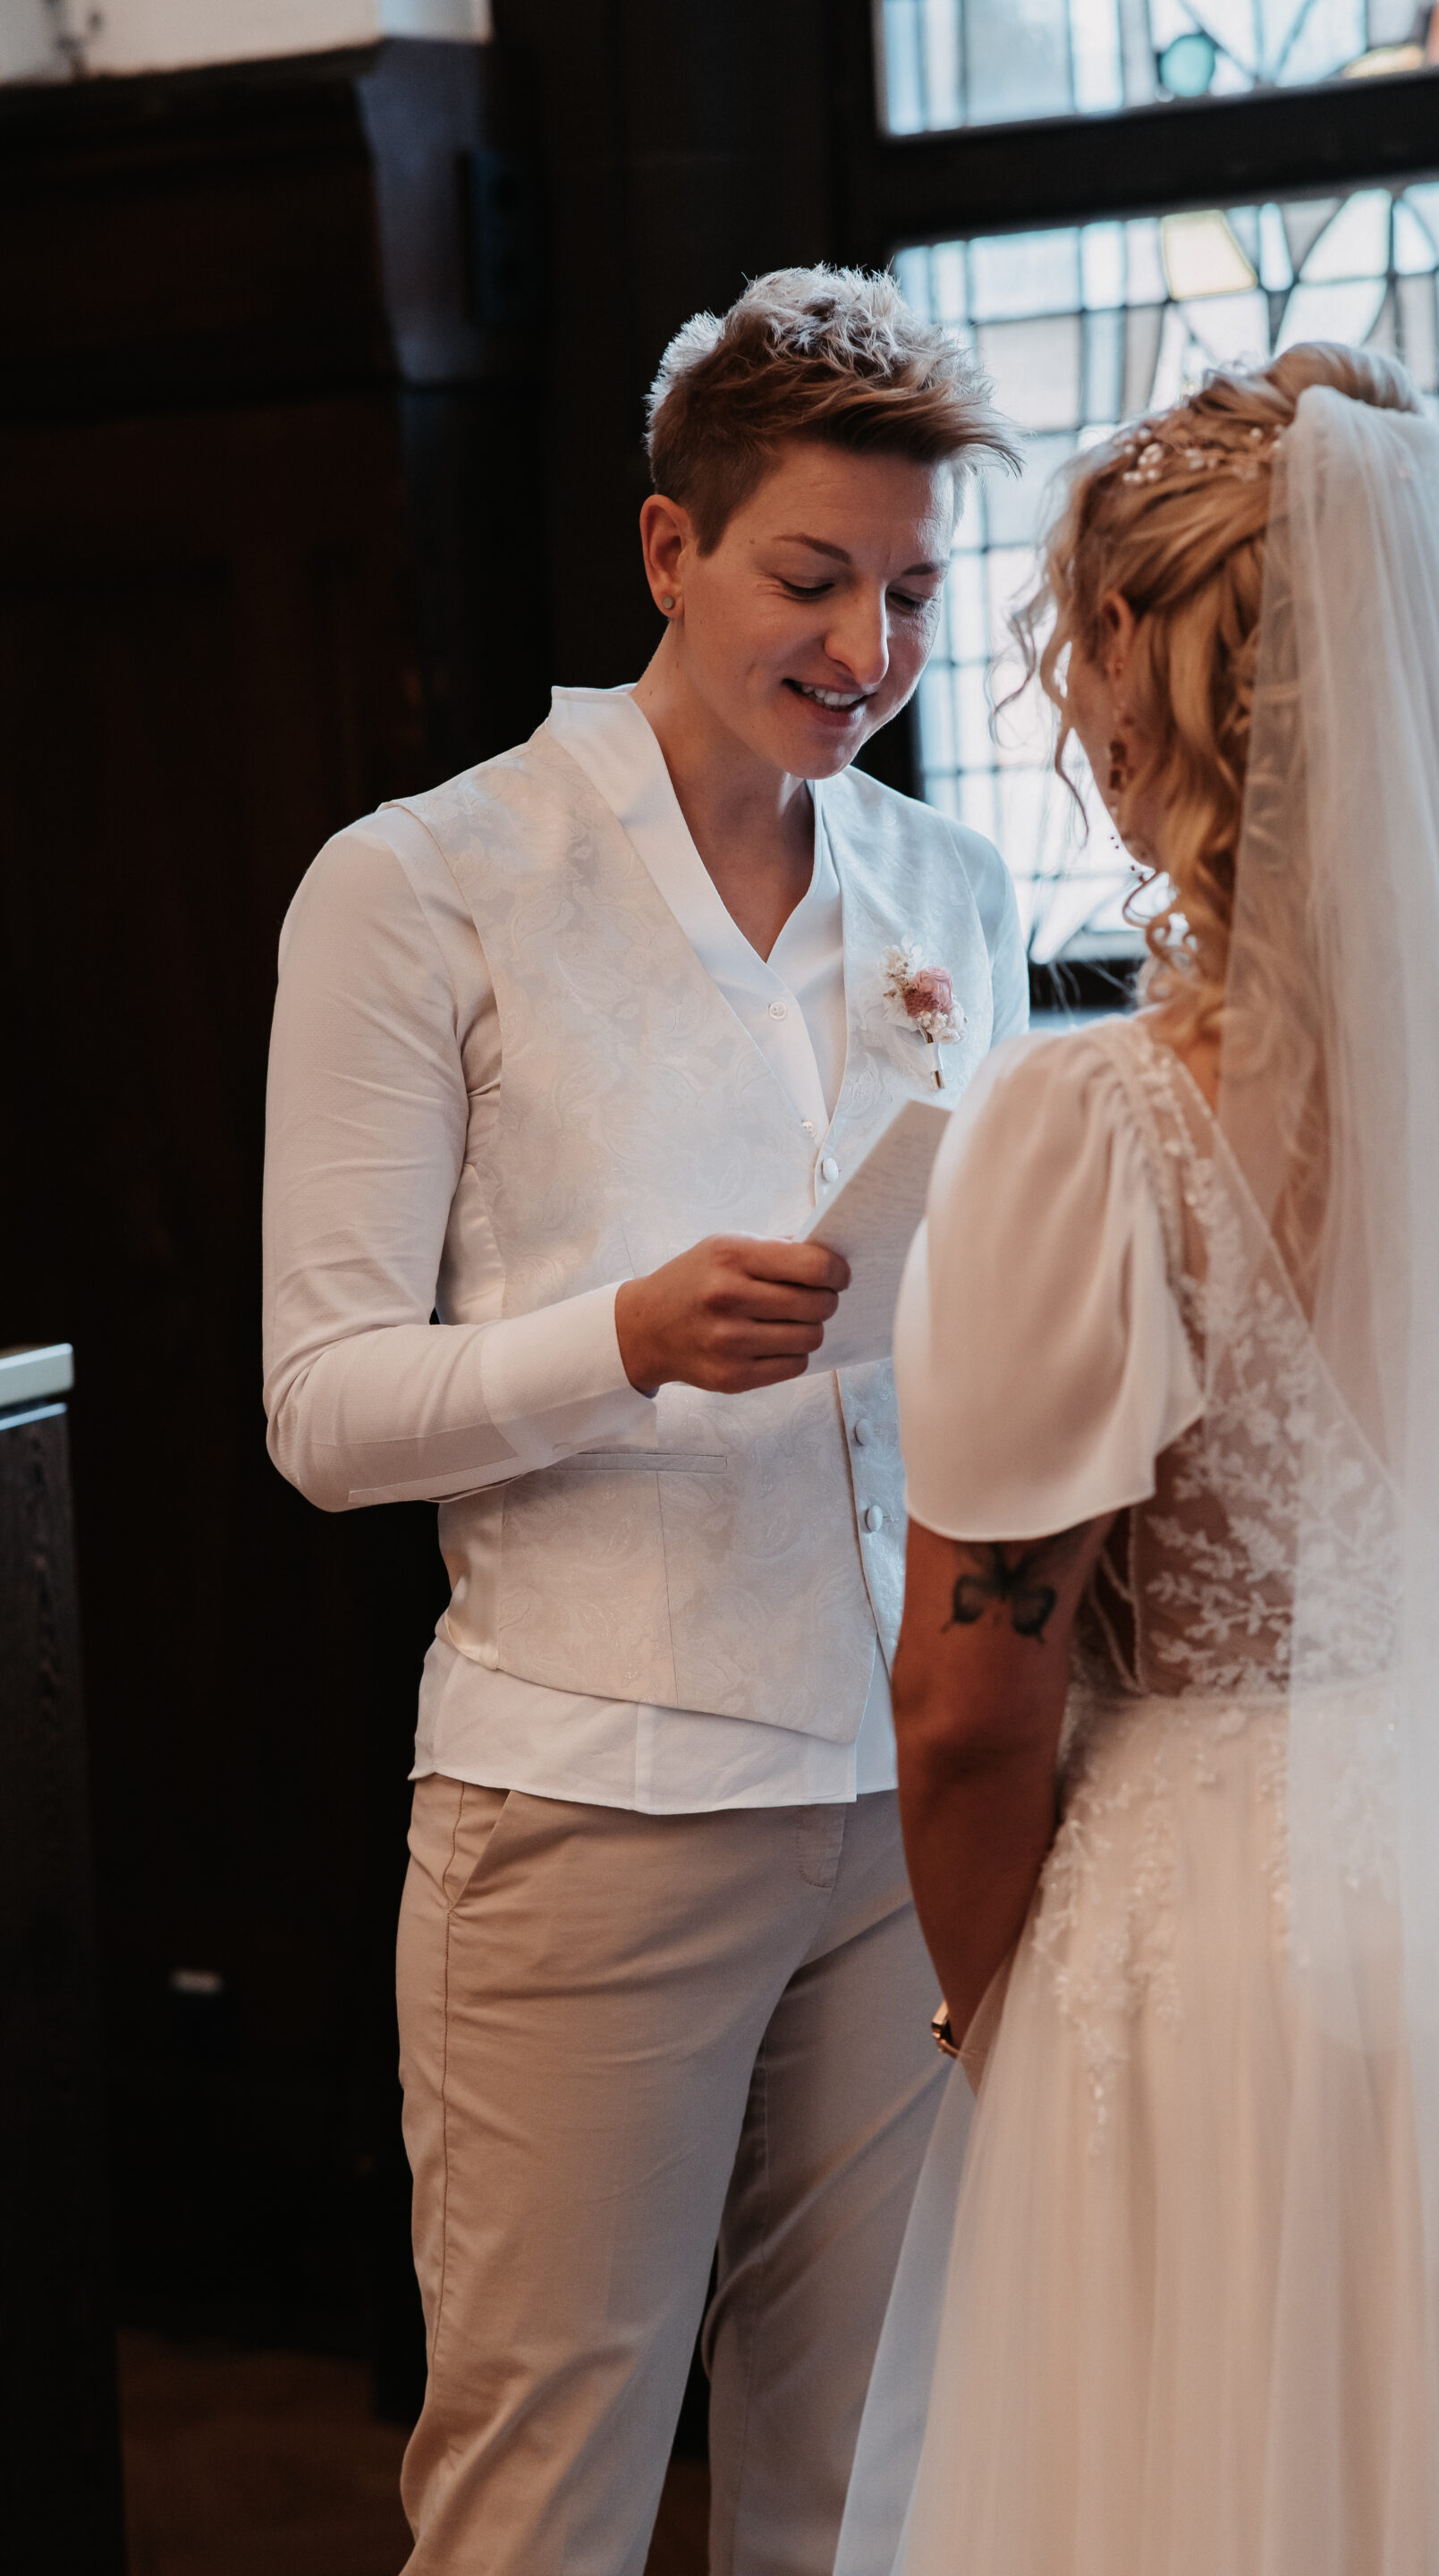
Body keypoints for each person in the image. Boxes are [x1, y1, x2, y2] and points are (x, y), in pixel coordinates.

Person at [834, 343, 1439, 2576]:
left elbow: (966, 1704)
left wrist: (993, 2023)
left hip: (1218, 1960)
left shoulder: (1093, 1131)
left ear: (1141, 676)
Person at [261, 267, 1026, 2576]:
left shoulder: (951, 892)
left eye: (909, 593)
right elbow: (322, 1409)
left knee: (853, 2496)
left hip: (901, 1812)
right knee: (542, 2511)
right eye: (814, 578)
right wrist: (627, 1337)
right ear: (670, 551)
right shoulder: (420, 892)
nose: (866, 650)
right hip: (587, 1810)